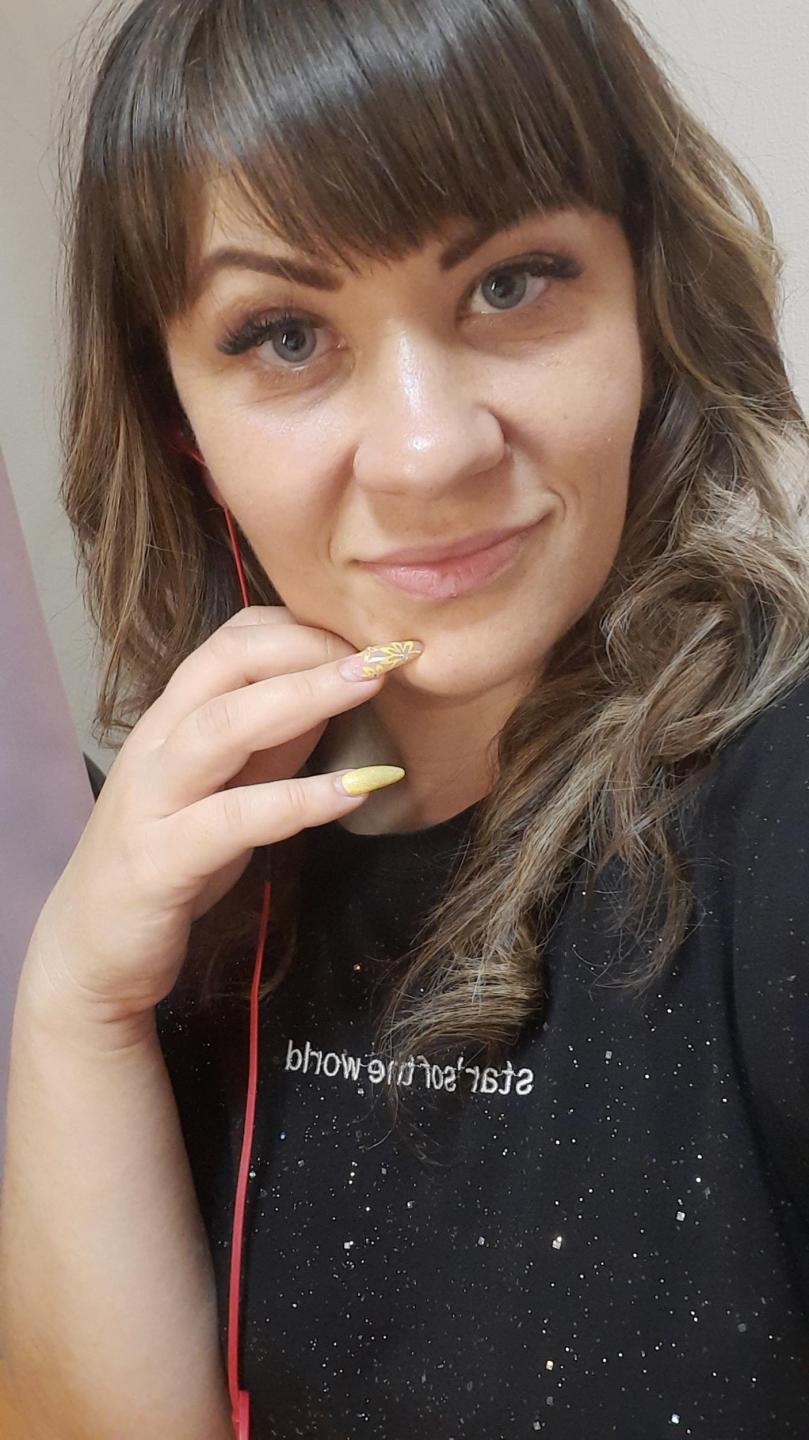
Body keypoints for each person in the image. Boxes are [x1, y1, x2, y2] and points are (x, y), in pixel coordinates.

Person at [2, 0, 809, 1436]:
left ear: (647, 296)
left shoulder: (782, 811)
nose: (431, 450)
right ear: (181, 424)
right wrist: (76, 1008)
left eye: (511, 283)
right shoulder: (181, 900)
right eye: (284, 334)